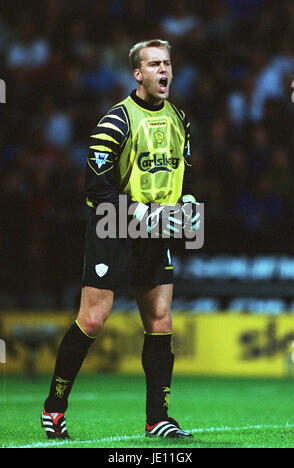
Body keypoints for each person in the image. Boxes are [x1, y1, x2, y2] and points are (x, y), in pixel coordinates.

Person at [41, 39, 200, 439]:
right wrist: (142, 212)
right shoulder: (116, 121)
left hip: (155, 229)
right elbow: (95, 189)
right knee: (93, 319)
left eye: (167, 64)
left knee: (161, 321)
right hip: (113, 226)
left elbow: (182, 173)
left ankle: (157, 419)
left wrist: (188, 202)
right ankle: (54, 408)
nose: (164, 71)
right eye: (154, 65)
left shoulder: (180, 119)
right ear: (137, 74)